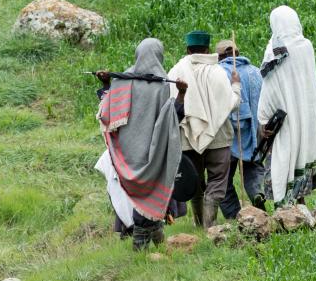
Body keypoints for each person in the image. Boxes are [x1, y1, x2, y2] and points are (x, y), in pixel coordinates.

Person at [93, 38, 183, 251]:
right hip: (151, 153)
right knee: (149, 194)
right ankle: (140, 249)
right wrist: (182, 94)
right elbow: (173, 118)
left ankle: (157, 245)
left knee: (133, 197)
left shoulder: (123, 81)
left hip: (126, 153)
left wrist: (106, 84)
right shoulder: (162, 85)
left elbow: (108, 110)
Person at [167, 30, 241, 229]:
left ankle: (199, 224)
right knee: (217, 181)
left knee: (195, 183)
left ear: (187, 49)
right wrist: (236, 86)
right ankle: (211, 224)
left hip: (187, 139)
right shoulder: (216, 71)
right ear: (208, 49)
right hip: (217, 136)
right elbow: (231, 103)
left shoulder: (175, 72)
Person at [256, 6, 316, 206]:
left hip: (285, 119)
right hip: (305, 114)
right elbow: (312, 84)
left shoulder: (275, 50)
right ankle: (300, 210)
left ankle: (288, 215)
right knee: (301, 155)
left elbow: (269, 87)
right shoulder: (307, 46)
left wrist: (263, 119)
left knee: (284, 159)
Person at [214, 39, 265, 216]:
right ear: (238, 52)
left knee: (222, 179)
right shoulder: (255, 72)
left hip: (228, 133)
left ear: (219, 56)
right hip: (255, 130)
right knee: (253, 168)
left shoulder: (218, 72)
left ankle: (234, 217)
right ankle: (258, 195)